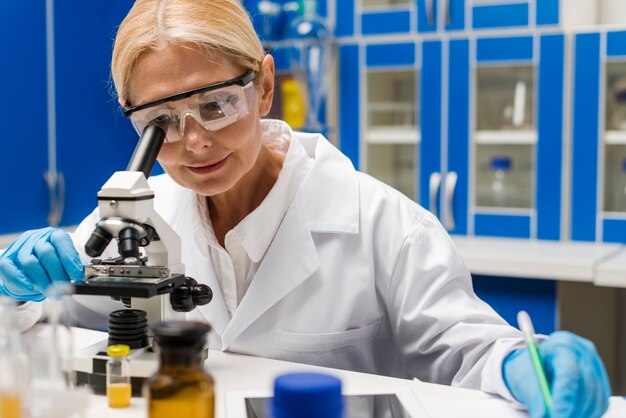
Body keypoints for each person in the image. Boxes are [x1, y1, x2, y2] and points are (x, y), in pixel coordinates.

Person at [0, 1, 610, 417]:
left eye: (217, 105)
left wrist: (528, 364)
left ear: (263, 86)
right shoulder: (135, 217)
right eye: (160, 123)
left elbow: (470, 351)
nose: (196, 142)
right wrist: (16, 291)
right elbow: (45, 326)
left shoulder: (384, 226)